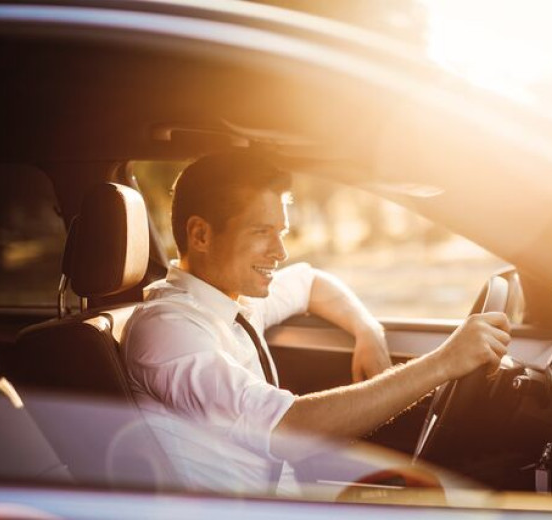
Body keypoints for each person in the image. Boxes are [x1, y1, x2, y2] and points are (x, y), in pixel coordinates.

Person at [122, 150, 510, 494]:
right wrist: (443, 363)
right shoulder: (168, 328)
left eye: (282, 232)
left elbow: (311, 282)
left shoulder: (231, 296)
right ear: (201, 234)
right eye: (262, 232)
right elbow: (289, 428)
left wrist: (367, 330)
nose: (280, 251)